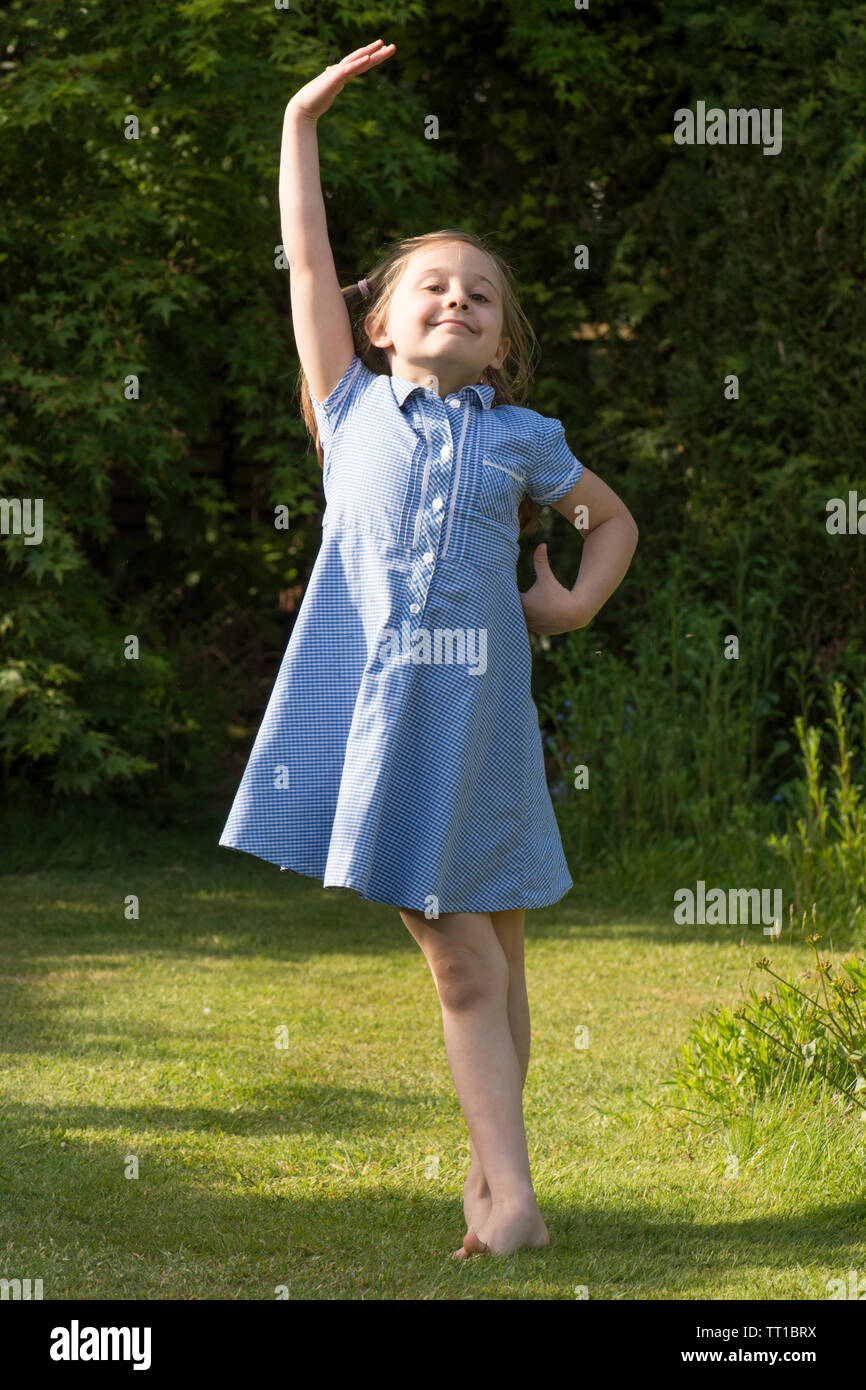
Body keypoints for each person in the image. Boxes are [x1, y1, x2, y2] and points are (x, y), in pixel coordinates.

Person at [219, 39, 639, 1259]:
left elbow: (608, 521)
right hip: (386, 725)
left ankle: (496, 1187)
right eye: (429, 288)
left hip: (485, 726)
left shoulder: (522, 438)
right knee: (462, 955)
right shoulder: (347, 406)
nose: (455, 298)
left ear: (501, 343)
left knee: (494, 953)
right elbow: (304, 252)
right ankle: (510, 1199)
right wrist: (301, 117)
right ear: (378, 324)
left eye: (480, 294)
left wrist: (567, 605)